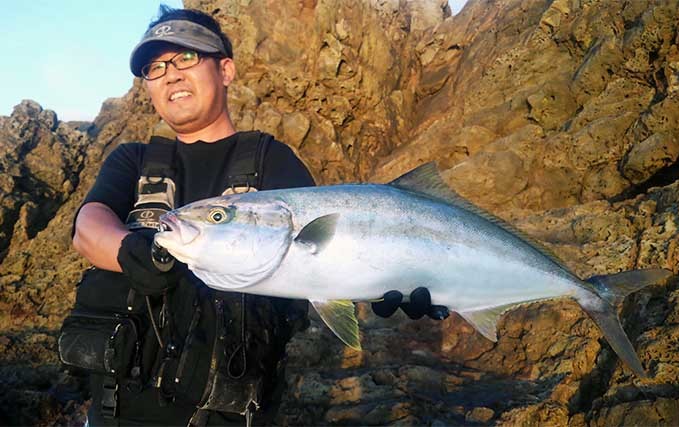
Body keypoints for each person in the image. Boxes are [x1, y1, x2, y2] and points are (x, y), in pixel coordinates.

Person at [69, 6, 446, 426]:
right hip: (115, 416)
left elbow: (324, 254)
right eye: (154, 68)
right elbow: (88, 227)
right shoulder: (132, 159)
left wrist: (390, 278)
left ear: (225, 70)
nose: (171, 74)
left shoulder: (273, 162)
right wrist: (129, 250)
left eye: (187, 57)